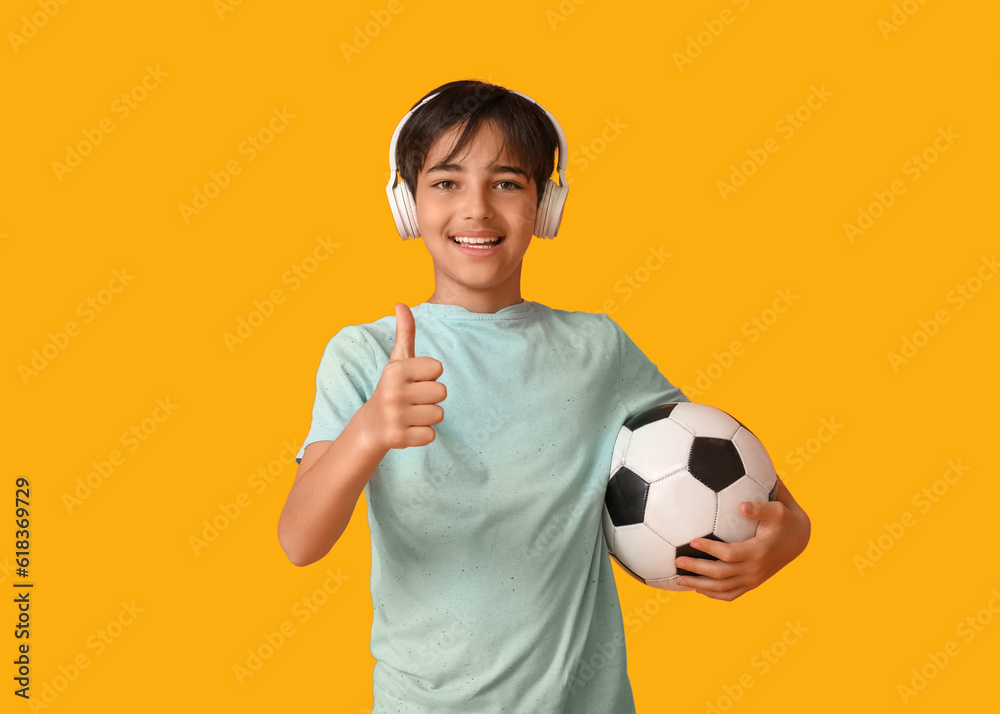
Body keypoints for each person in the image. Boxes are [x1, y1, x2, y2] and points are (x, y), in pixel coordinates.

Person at [277, 80, 810, 714]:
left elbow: (730, 469)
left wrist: (789, 538)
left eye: (507, 183)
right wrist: (368, 432)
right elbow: (298, 542)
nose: (476, 208)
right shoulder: (366, 355)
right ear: (408, 203)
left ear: (545, 205)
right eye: (446, 182)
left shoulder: (597, 348)